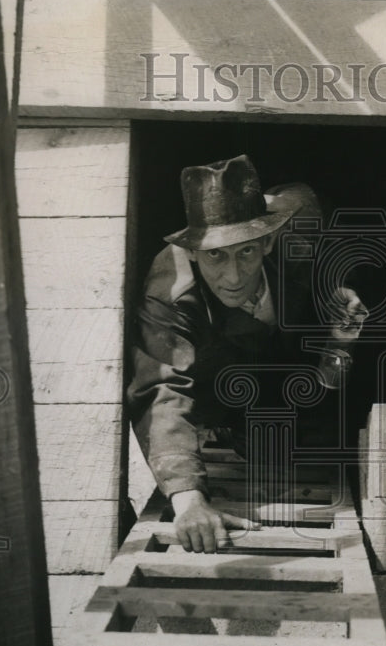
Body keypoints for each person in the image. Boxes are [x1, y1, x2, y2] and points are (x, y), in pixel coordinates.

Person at [127, 154, 367, 553]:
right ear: (191, 252)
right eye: (215, 255)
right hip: (216, 385)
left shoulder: (302, 251)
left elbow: (337, 265)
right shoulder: (169, 291)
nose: (233, 277)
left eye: (247, 253)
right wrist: (188, 498)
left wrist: (337, 345)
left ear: (269, 242)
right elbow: (161, 387)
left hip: (286, 374)